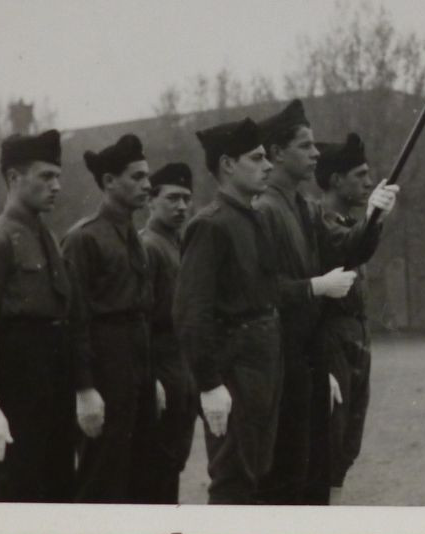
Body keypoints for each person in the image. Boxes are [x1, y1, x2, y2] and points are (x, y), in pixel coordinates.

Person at [252, 99, 397, 505]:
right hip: (285, 361)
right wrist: (315, 288)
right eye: (306, 146)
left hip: (308, 361)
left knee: (314, 470)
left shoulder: (302, 208)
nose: (316, 153)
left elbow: (346, 249)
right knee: (289, 477)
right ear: (278, 153)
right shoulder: (266, 210)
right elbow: (262, 293)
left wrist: (374, 217)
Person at [0, 129, 96, 503]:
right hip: (18, 392)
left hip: (54, 388)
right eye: (46, 176)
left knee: (56, 495)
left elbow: (70, 315)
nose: (57, 186)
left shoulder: (47, 238)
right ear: (14, 178)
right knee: (14, 499)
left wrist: (83, 386)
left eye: (58, 176)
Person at [172, 117, 299, 504]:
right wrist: (210, 385)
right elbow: (191, 314)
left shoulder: (255, 219)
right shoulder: (210, 226)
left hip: (263, 368)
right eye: (256, 158)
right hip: (234, 374)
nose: (268, 166)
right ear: (227, 164)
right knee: (233, 482)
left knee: (258, 475)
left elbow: (268, 290)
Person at [62, 133, 157, 504]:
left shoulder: (132, 235)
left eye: (148, 177)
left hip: (138, 365)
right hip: (107, 368)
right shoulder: (84, 239)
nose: (147, 185)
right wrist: (85, 389)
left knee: (139, 474)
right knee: (101, 477)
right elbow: (74, 320)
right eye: (136, 177)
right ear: (108, 182)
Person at [311, 132, 378, 504]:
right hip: (333, 338)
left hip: (356, 338)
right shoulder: (324, 222)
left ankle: (333, 508)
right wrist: (374, 217)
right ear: (336, 180)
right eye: (359, 175)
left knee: (349, 441)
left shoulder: (347, 221)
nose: (368, 182)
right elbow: (348, 245)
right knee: (332, 440)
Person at [134, 160, 200, 504]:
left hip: (183, 372)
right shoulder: (147, 247)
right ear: (150, 201)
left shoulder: (179, 246)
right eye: (172, 198)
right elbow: (141, 319)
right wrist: (152, 377)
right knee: (154, 469)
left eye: (187, 198)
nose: (182, 206)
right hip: (161, 371)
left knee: (173, 463)